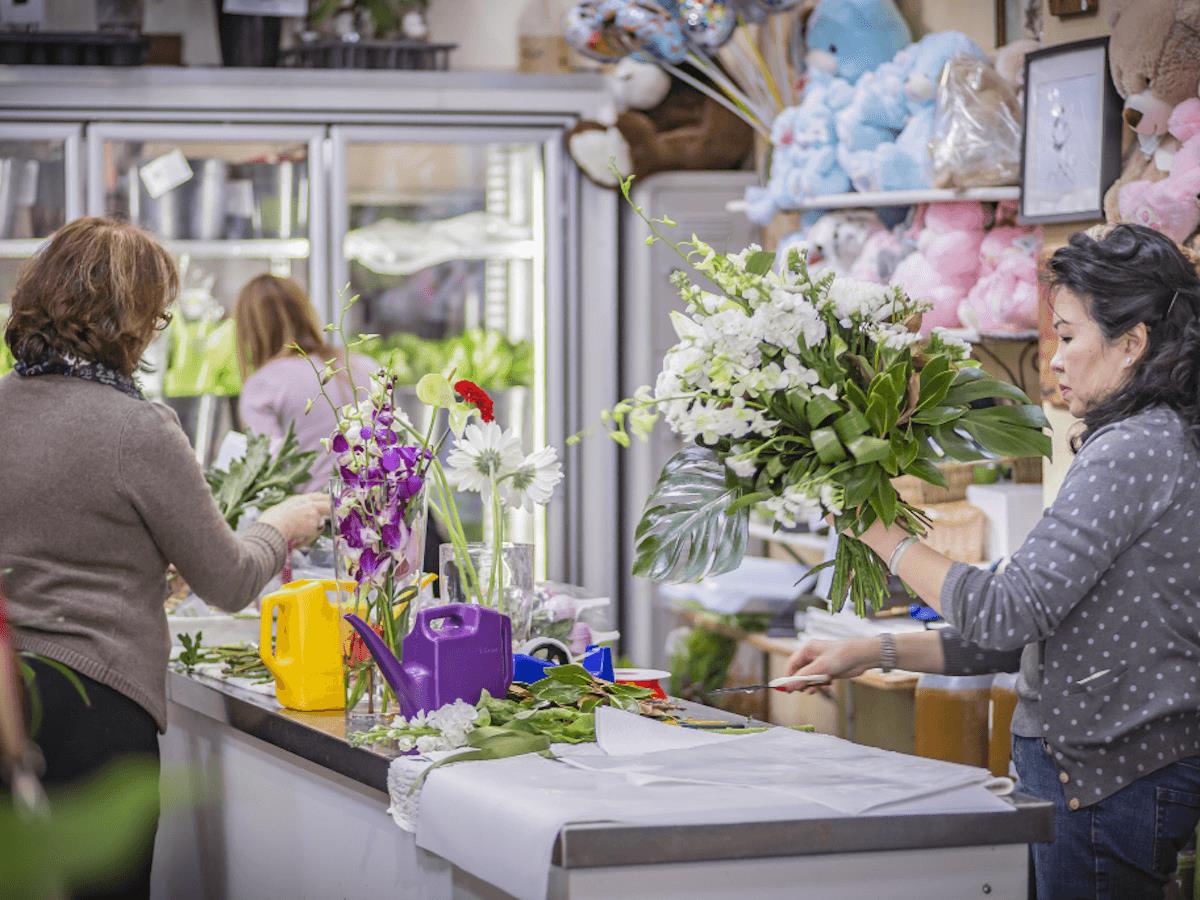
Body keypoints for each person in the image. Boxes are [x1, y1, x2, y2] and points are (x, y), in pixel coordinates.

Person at [789, 224, 1200, 899]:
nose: (1055, 360)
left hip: (1104, 779)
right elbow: (1035, 631)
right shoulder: (1157, 441)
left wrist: (881, 532)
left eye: (1068, 336)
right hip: (1113, 776)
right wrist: (870, 651)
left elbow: (1003, 614)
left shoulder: (1134, 450)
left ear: (1132, 344)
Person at [0, 218, 329, 898]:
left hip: (10, 699)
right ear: (130, 319)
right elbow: (231, 578)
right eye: (156, 315)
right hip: (99, 709)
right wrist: (280, 523)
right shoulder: (136, 428)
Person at [234, 274, 376, 492]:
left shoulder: (263, 385)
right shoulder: (364, 366)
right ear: (306, 312)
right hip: (377, 510)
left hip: (314, 517)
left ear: (247, 330)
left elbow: (267, 474)